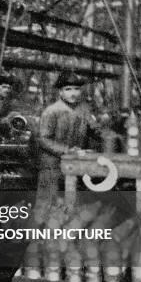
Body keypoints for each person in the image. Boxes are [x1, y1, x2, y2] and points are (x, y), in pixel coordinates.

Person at [37, 70, 100, 202]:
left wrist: (107, 135)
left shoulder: (83, 110)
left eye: (77, 89)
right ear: (60, 92)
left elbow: (95, 131)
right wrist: (66, 150)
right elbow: (43, 140)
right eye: (68, 89)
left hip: (73, 164)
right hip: (52, 166)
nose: (73, 93)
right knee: (48, 204)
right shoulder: (52, 111)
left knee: (70, 204)